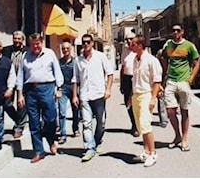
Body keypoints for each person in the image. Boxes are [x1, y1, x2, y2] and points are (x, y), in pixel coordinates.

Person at [16, 33, 63, 163]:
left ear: (41, 43)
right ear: (29, 45)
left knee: (50, 119)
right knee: (34, 122)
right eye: (32, 44)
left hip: (47, 88)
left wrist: (58, 88)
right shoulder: (25, 56)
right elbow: (20, 76)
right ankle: (38, 151)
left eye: (37, 44)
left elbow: (57, 71)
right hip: (30, 90)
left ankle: (51, 139)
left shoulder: (50, 54)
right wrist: (20, 94)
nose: (35, 46)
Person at [72, 34, 114, 162]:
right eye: (83, 42)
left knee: (101, 123)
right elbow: (75, 79)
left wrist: (108, 89)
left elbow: (110, 73)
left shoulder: (100, 57)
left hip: (99, 94)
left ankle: (97, 141)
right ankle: (89, 148)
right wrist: (74, 95)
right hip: (85, 95)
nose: (86, 45)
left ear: (92, 43)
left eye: (88, 42)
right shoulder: (78, 60)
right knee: (86, 123)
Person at [161, 24, 200, 152]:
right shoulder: (168, 46)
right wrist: (163, 78)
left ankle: (184, 139)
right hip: (171, 81)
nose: (176, 32)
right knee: (170, 111)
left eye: (178, 30)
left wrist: (190, 79)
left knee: (184, 110)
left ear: (182, 32)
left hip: (184, 81)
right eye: (173, 30)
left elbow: (196, 63)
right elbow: (164, 61)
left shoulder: (189, 46)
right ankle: (177, 135)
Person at [130, 35, 162, 167]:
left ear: (140, 46)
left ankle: (153, 153)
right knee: (140, 125)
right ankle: (146, 151)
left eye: (133, 44)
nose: (130, 46)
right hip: (136, 94)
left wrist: (153, 98)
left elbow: (157, 80)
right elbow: (135, 79)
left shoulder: (151, 60)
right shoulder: (135, 60)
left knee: (145, 123)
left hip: (146, 94)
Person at [2, 30, 29, 139]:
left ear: (22, 40)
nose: (17, 40)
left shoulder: (27, 51)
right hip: (9, 81)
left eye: (19, 38)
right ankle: (18, 119)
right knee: (6, 103)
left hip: (23, 80)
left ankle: (19, 128)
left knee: (21, 105)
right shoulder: (6, 50)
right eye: (15, 38)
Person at [57, 41, 80, 145]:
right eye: (63, 49)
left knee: (76, 110)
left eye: (67, 48)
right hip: (63, 88)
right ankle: (62, 134)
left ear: (71, 49)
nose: (65, 50)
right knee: (62, 112)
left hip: (74, 88)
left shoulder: (76, 62)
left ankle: (75, 128)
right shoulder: (58, 62)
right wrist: (57, 89)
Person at [120, 32, 139, 137]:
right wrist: (122, 82)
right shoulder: (125, 51)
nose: (128, 41)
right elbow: (123, 67)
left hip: (136, 78)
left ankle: (138, 125)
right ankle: (134, 124)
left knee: (136, 102)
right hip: (127, 79)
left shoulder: (138, 51)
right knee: (128, 104)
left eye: (130, 39)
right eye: (126, 39)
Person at [155, 49, 168, 128]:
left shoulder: (170, 64)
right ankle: (163, 120)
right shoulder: (156, 64)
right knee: (161, 98)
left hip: (168, 81)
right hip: (160, 82)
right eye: (161, 57)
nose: (162, 58)